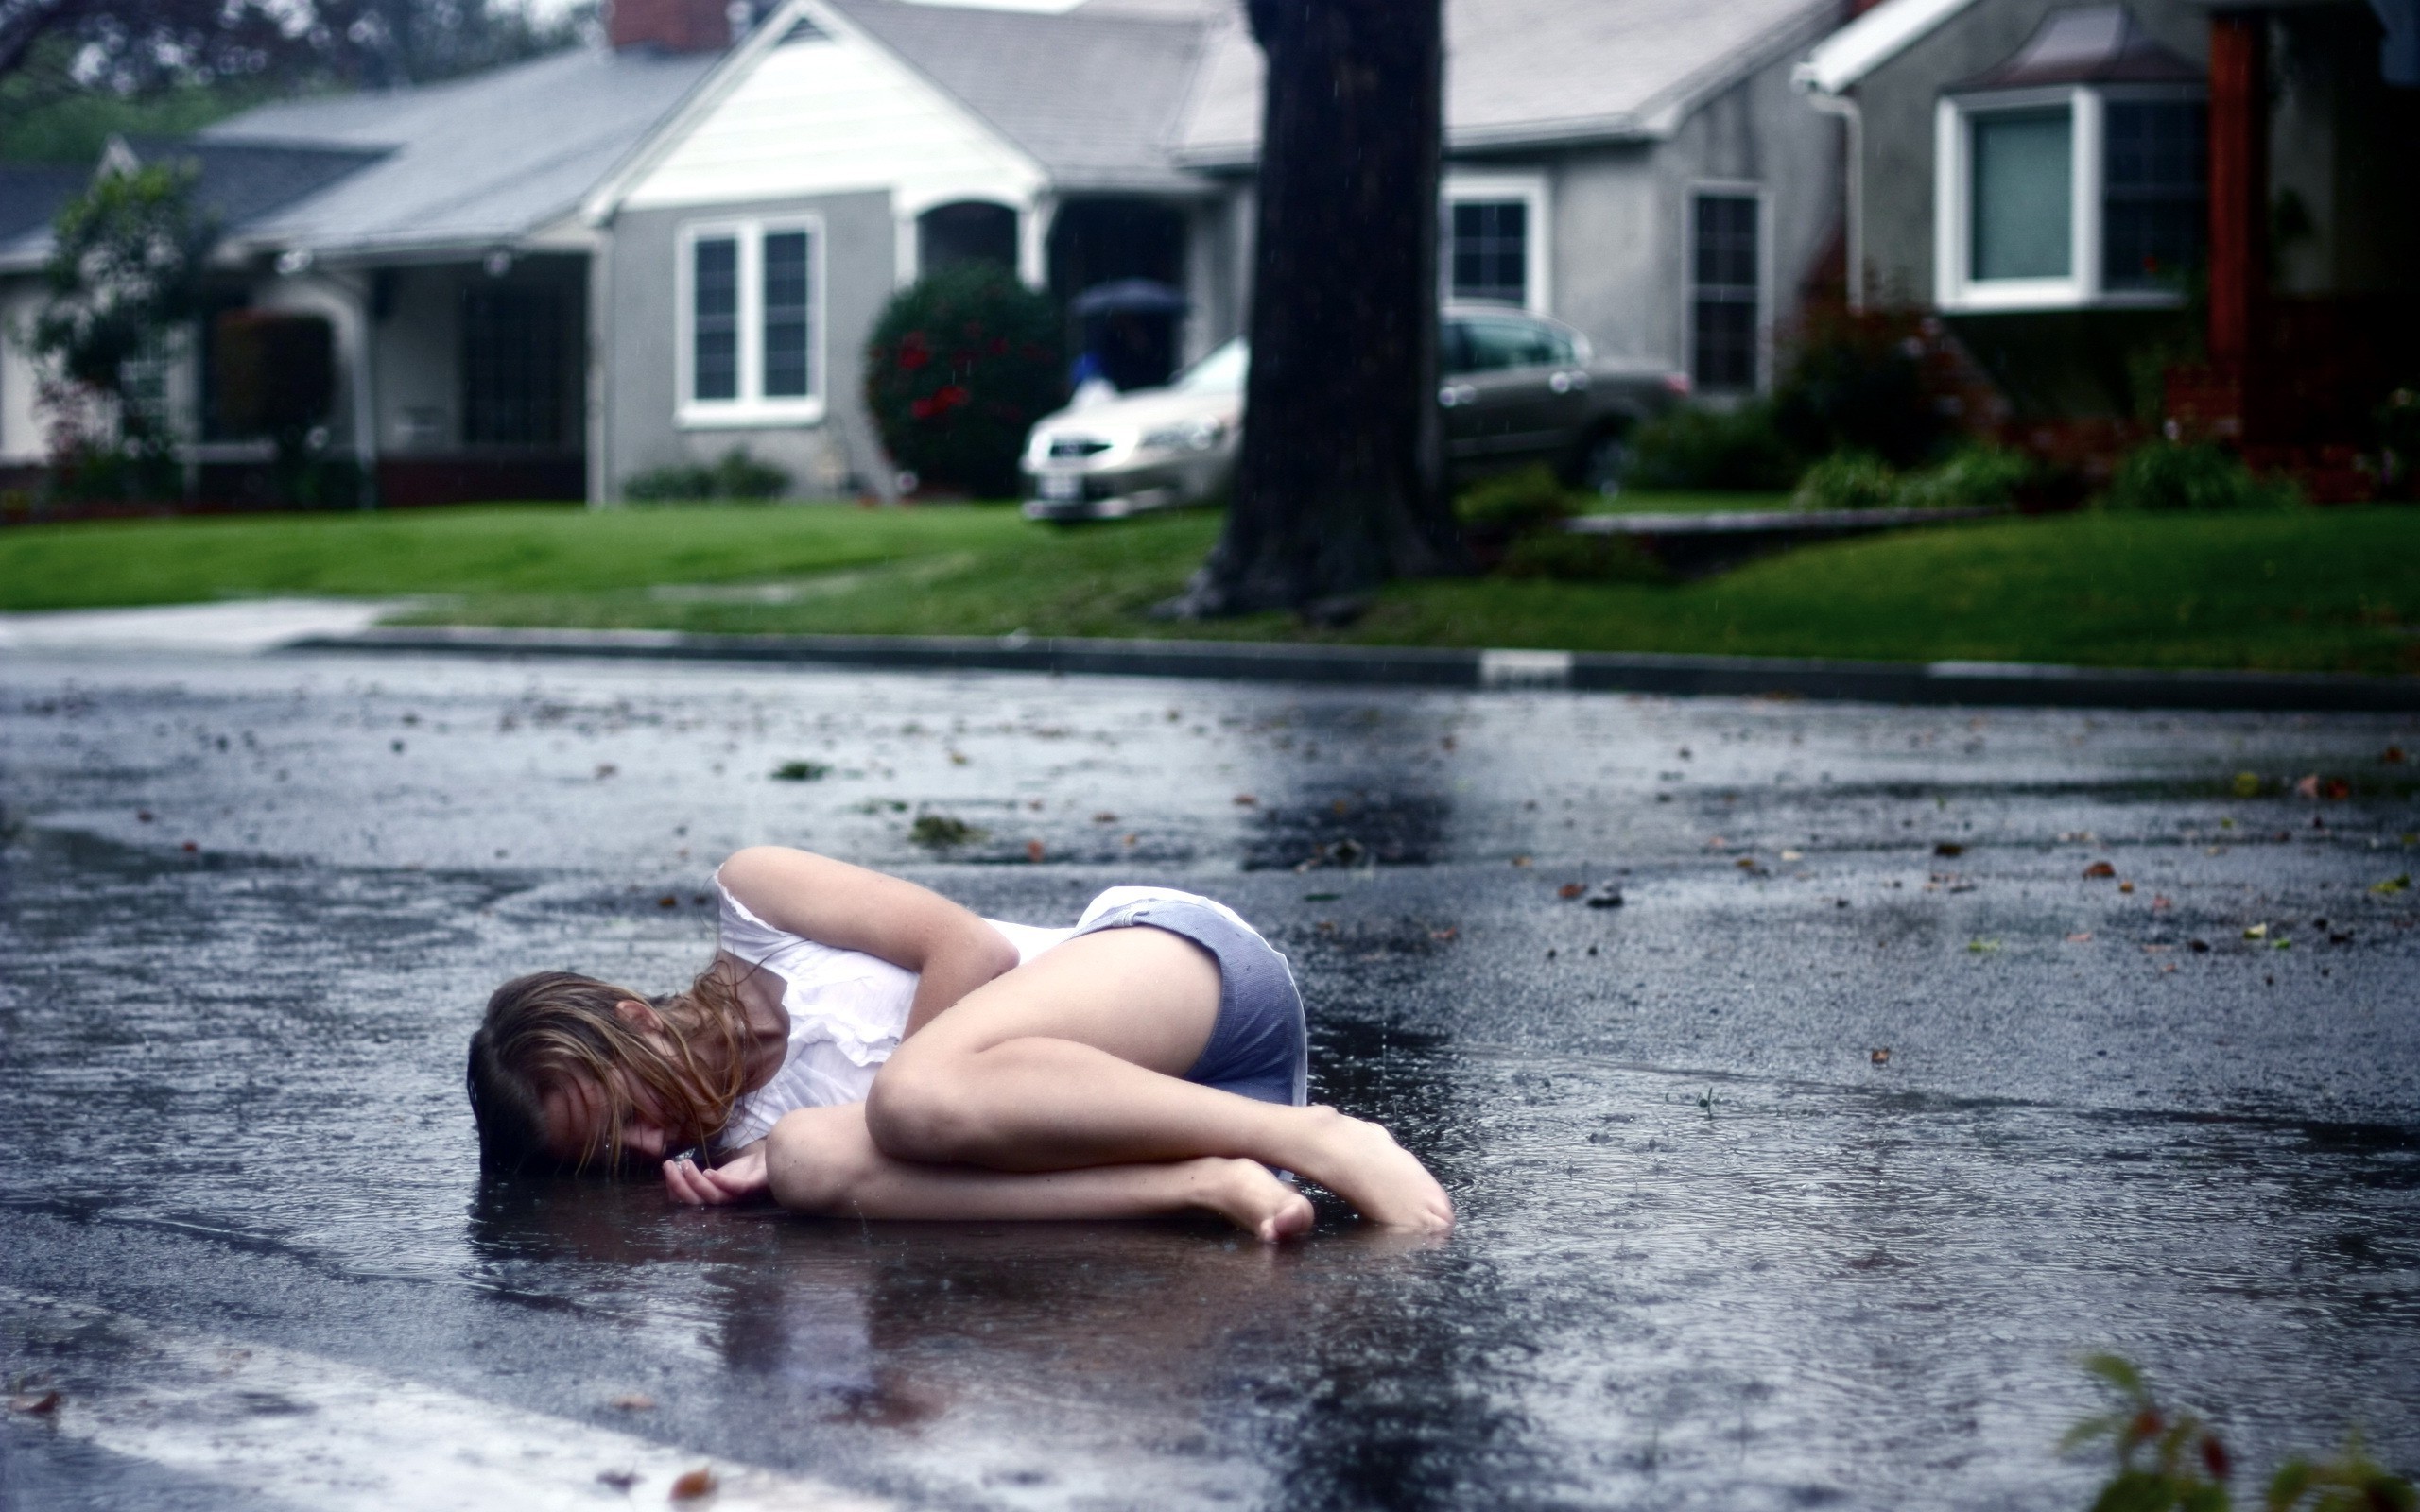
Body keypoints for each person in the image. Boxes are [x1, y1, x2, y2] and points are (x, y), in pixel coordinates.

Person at [466, 847, 1453, 1241]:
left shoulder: (755, 901)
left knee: (905, 1101)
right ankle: (1203, 1180)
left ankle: (1322, 1138)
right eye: (610, 1156)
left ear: (632, 1019)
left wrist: (880, 1109)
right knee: (813, 1160)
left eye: (626, 1115)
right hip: (1145, 1121)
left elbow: (965, 946)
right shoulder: (740, 1146)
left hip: (1179, 984)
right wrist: (779, 1160)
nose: (647, 1150)